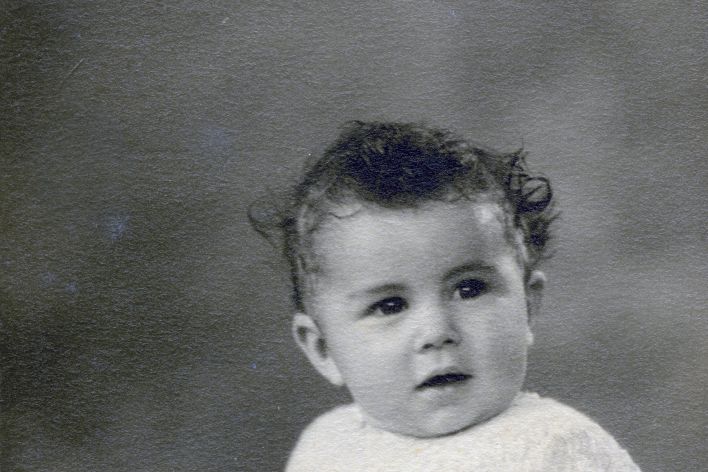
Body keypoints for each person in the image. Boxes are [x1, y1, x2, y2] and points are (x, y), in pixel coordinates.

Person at [250, 121, 641, 471]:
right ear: (323, 349)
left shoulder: (557, 448)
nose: (437, 331)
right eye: (390, 305)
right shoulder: (326, 447)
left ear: (528, 306)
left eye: (469, 289)